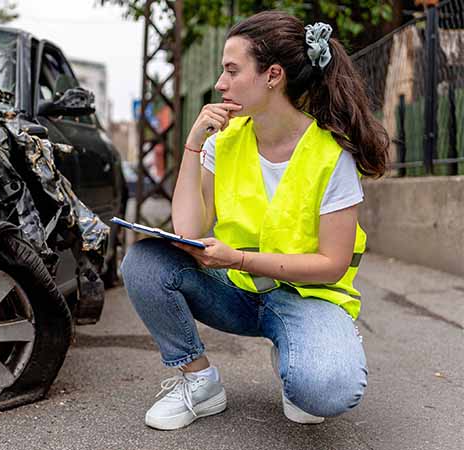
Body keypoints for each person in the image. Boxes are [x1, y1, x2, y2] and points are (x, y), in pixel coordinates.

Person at [121, 11, 390, 431]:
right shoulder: (223, 142)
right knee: (144, 262)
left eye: (232, 70)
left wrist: (238, 259)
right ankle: (199, 382)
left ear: (273, 76)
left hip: (308, 298)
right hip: (237, 293)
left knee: (324, 392)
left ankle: (299, 353)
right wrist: (193, 147)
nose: (220, 84)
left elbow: (332, 264)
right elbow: (188, 231)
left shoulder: (331, 155)